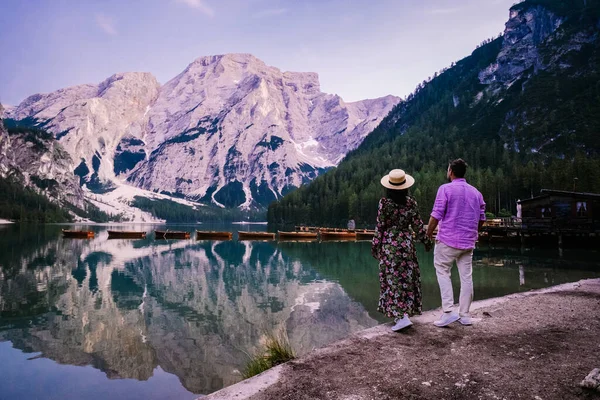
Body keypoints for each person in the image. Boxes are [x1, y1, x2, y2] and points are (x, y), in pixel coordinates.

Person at [427, 159, 486, 327]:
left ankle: (448, 312)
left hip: (447, 240)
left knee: (443, 271)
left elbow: (436, 214)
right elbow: (482, 218)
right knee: (466, 277)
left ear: (451, 171)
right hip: (468, 242)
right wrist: (473, 232)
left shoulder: (445, 189)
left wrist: (428, 233)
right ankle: (465, 315)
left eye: (448, 169)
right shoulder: (476, 192)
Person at [372, 169, 432, 332]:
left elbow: (380, 226)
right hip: (406, 245)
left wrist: (375, 245)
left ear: (389, 187)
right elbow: (419, 227)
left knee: (392, 279)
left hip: (390, 245)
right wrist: (427, 242)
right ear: (405, 187)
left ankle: (400, 317)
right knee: (406, 280)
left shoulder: (384, 203)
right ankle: (404, 314)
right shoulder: (411, 203)